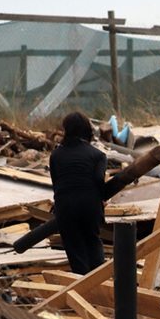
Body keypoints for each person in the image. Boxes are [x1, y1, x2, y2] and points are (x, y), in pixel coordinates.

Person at [49, 111, 107, 274]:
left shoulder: (56, 155)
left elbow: (57, 184)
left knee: (74, 247)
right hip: (90, 204)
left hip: (65, 204)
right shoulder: (98, 155)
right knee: (93, 241)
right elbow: (98, 179)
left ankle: (81, 287)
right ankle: (99, 284)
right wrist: (101, 199)